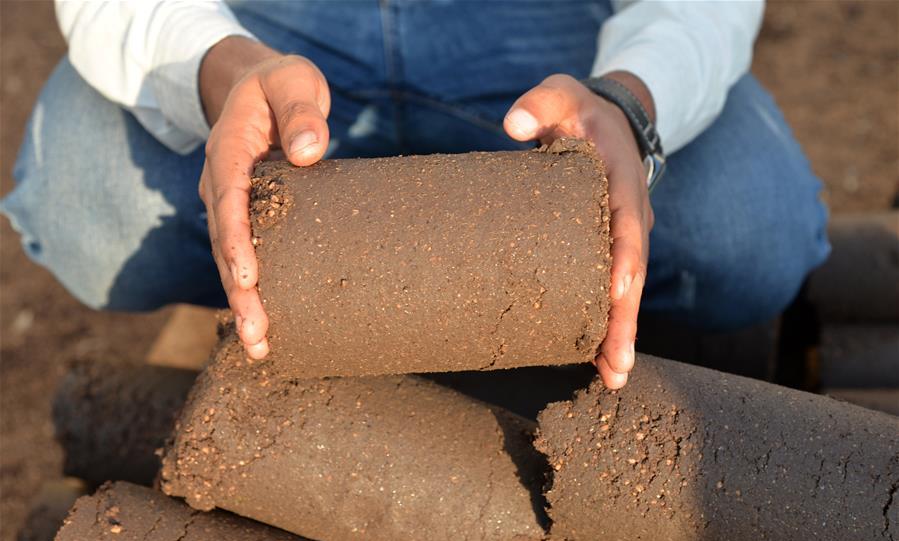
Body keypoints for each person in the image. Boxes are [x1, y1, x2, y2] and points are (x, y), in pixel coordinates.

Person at [1, 0, 829, 389]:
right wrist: (220, 66)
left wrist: (627, 97)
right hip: (266, 30)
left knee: (749, 227)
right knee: (82, 198)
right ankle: (291, 275)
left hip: (553, 37)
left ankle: (448, 274)